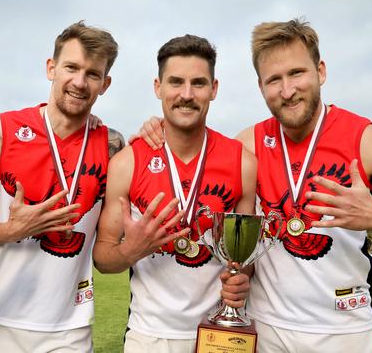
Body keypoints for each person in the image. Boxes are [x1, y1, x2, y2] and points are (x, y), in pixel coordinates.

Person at [136, 19, 372, 352]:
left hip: (344, 330)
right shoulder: (247, 146)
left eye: (297, 73)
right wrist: (154, 131)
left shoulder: (366, 141)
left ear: (321, 70)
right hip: (266, 329)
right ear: (261, 87)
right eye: (274, 80)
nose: (286, 91)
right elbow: (191, 154)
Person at [0, 21, 124, 353]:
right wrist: (11, 229)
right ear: (51, 68)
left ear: (105, 84)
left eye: (92, 74)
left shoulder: (113, 147)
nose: (79, 82)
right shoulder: (3, 130)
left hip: (70, 327)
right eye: (71, 68)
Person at [94, 34, 257, 353]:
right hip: (149, 336)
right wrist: (132, 251)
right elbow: (102, 257)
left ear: (214, 89)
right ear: (158, 87)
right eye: (175, 82)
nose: (186, 94)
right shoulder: (128, 161)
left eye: (198, 83)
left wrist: (241, 279)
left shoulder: (243, 162)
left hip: (220, 334)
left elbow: (244, 256)